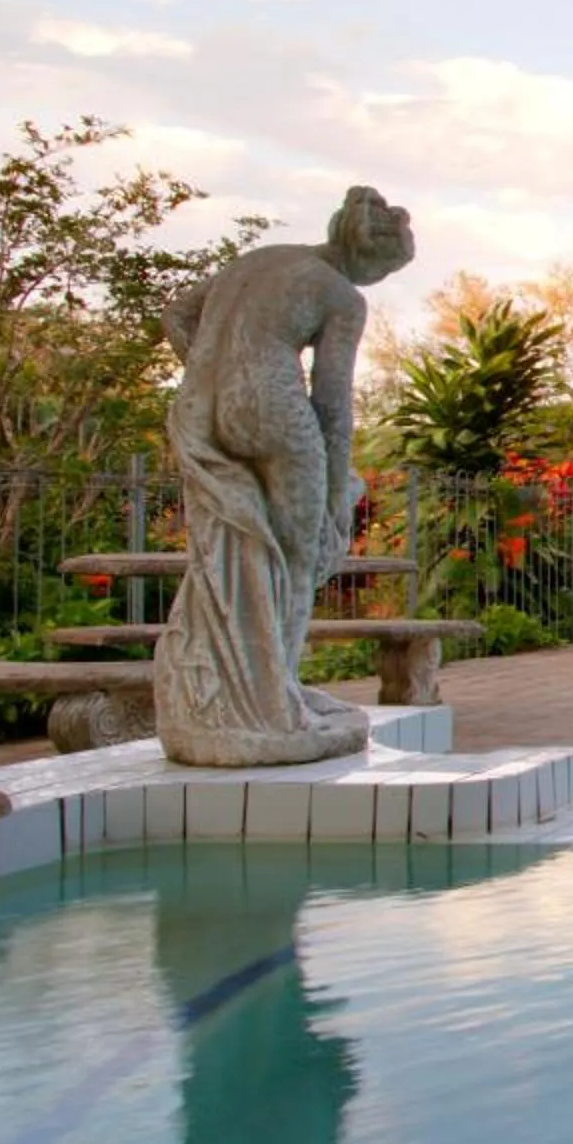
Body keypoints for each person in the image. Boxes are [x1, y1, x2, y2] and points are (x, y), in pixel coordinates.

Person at [155, 187, 415, 766]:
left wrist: (207, 365)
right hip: (274, 410)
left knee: (233, 541)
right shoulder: (343, 296)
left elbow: (176, 314)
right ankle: (276, 698)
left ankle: (246, 691)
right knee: (302, 555)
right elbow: (333, 406)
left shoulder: (261, 259)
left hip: (205, 403)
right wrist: (332, 501)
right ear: (372, 260)